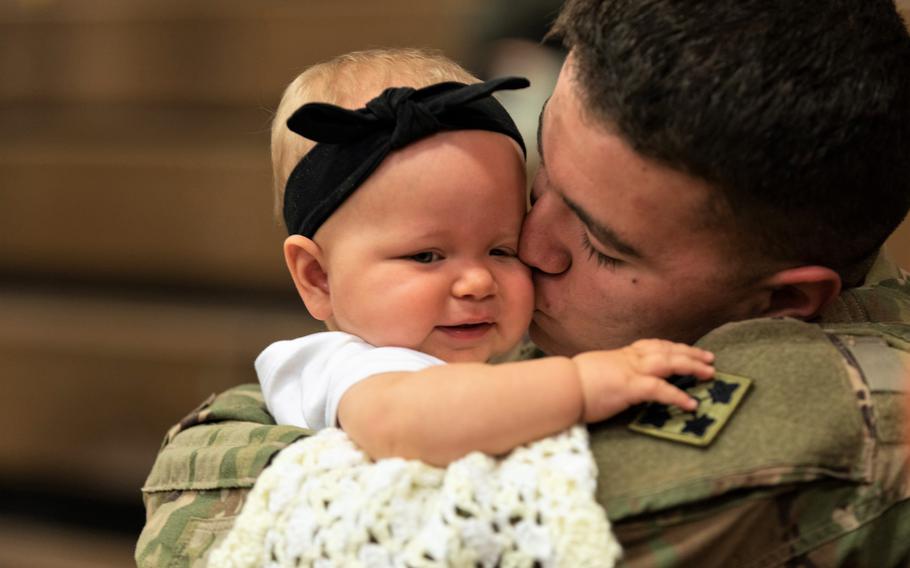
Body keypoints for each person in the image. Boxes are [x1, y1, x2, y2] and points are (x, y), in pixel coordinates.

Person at [136, 1, 910, 566]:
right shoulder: (582, 328)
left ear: (783, 300)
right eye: (540, 185)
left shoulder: (836, 401)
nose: (524, 254)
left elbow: (199, 522)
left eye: (602, 245)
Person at [258, 49, 712, 467]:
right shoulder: (346, 364)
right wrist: (583, 385)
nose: (477, 281)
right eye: (426, 255)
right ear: (318, 277)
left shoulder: (459, 360)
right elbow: (408, 422)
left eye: (502, 249)